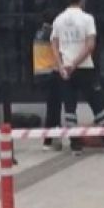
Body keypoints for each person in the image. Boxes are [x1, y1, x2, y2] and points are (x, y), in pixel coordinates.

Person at [51, 0, 104, 154]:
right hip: (84, 67)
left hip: (65, 69)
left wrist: (61, 65)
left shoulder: (58, 19)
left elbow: (53, 44)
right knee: (97, 103)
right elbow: (90, 45)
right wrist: (76, 63)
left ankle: (75, 144)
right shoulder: (87, 19)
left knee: (69, 106)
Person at [32, 11, 63, 149]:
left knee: (52, 106)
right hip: (50, 74)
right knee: (54, 107)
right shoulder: (51, 34)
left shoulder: (39, 32)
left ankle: (53, 138)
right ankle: (49, 140)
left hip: (40, 74)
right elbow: (59, 52)